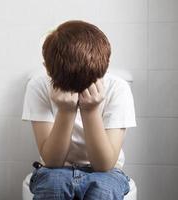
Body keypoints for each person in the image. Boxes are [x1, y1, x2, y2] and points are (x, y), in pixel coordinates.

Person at [21, 20, 137, 200]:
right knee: (54, 186)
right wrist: (66, 111)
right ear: (47, 71)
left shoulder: (118, 88)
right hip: (56, 170)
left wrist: (90, 110)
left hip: (106, 172)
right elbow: (52, 162)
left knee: (103, 191)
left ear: (106, 66)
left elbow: (104, 165)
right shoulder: (38, 85)